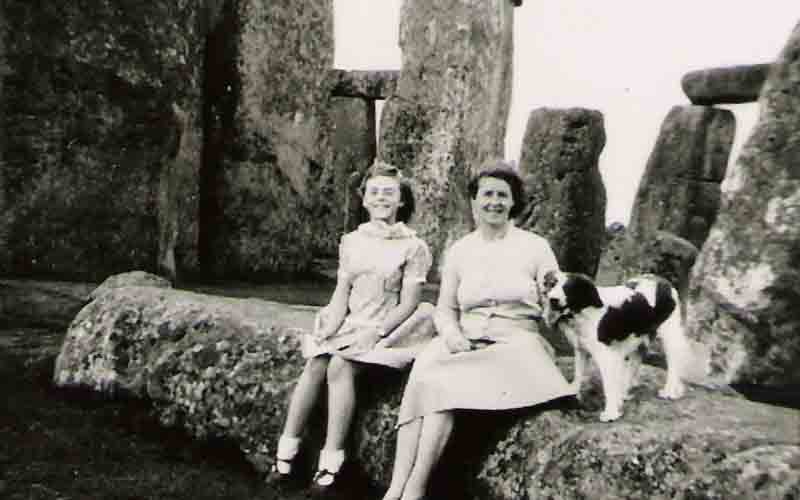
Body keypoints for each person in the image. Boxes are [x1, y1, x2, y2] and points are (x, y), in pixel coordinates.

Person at [382, 160, 575, 500]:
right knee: (425, 376)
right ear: (474, 201)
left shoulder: (535, 246)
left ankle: (413, 490)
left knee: (443, 389)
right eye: (487, 194)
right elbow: (445, 308)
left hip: (516, 341)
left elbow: (555, 297)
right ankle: (395, 488)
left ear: (514, 202)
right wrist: (453, 335)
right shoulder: (460, 250)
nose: (494, 202)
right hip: (464, 338)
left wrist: (556, 312)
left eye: (503, 195)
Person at [271, 160, 435, 494]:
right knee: (316, 361)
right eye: (374, 192)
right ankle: (285, 456)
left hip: (391, 329)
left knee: (340, 365)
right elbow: (342, 293)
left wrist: (376, 332)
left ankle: (331, 464)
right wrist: (329, 322)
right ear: (364, 200)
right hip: (352, 323)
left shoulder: (414, 247)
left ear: (401, 200)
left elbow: (408, 304)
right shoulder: (352, 241)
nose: (381, 198)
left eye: (389, 193)